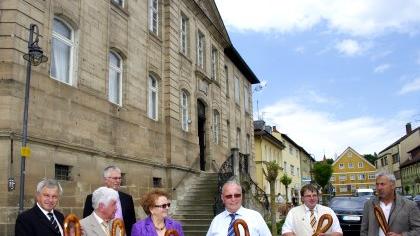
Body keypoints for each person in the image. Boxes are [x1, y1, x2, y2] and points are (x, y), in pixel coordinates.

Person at [360, 172, 420, 236]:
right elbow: (364, 230)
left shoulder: (409, 205)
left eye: (382, 184)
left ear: (393, 185)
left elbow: (418, 230)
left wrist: (401, 235)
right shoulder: (369, 204)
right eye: (377, 184)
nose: (379, 188)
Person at [83, 166, 136, 235]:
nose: (118, 181)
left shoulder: (127, 198)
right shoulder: (93, 198)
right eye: (115, 178)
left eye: (120, 178)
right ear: (105, 179)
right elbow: (88, 221)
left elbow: (132, 221)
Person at [206, 180, 271, 236]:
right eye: (229, 196)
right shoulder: (216, 220)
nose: (233, 199)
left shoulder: (256, 217)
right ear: (222, 198)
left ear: (242, 196)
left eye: (237, 195)